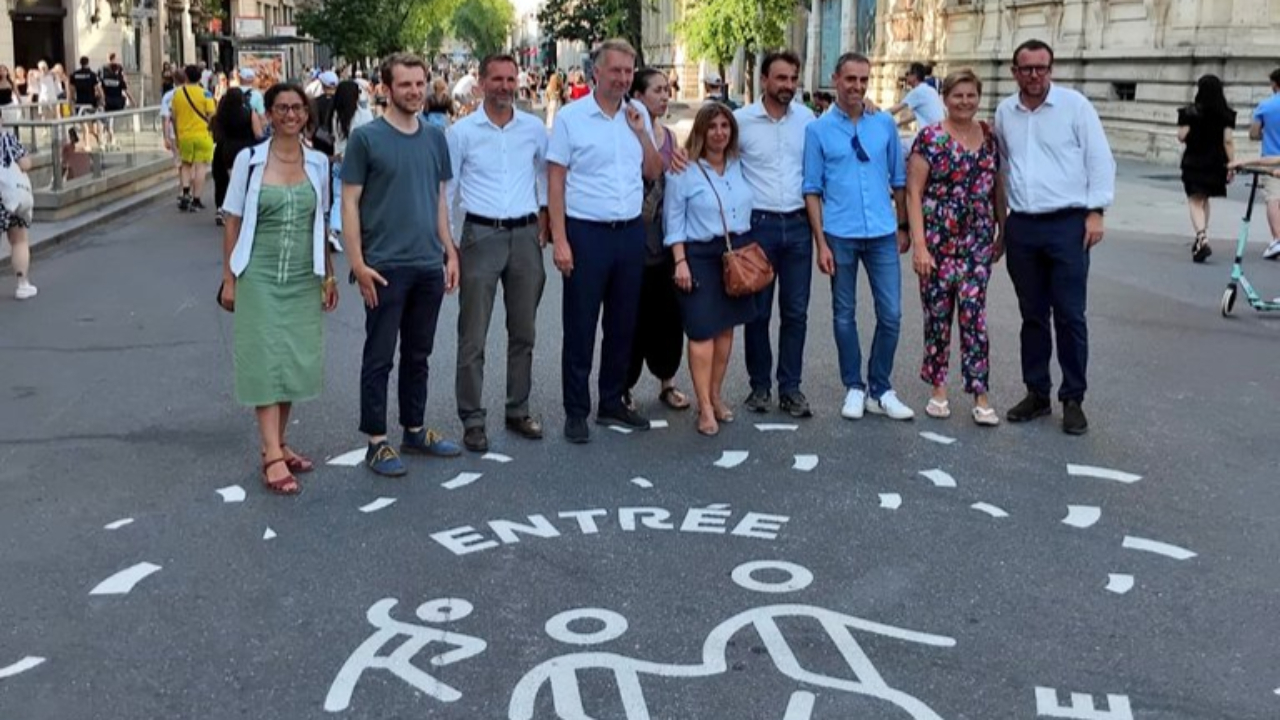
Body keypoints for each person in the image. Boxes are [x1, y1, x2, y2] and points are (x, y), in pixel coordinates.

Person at [341, 53, 462, 477]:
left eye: (419, 83)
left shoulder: (434, 137)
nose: (414, 91)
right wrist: (357, 262)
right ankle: (376, 440)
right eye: (405, 84)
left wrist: (449, 250)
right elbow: (350, 202)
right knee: (379, 356)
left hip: (428, 263)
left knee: (419, 353)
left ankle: (414, 428)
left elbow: (438, 200)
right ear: (386, 89)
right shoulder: (367, 139)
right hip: (384, 266)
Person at [220, 82, 338, 496]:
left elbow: (321, 220)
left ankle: (280, 442)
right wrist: (229, 277)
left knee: (291, 360)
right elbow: (231, 219)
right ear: (268, 113)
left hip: (304, 273)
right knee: (266, 361)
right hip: (259, 273)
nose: (290, 114)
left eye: (297, 108)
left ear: (307, 114)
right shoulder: (249, 160)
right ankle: (270, 454)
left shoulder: (320, 163)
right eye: (282, 108)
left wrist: (328, 273)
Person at [994, 39, 1115, 435]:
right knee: (1032, 315)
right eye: (1027, 69)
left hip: (1068, 224)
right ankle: (1037, 393)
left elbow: (1100, 158)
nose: (1035, 76)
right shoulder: (1005, 113)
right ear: (1015, 72)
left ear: (1051, 69)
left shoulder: (1075, 107)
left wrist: (1096, 211)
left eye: (1042, 68)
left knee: (1069, 314)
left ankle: (1073, 397)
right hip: (1023, 225)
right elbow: (1003, 165)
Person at [547, 38, 664, 443]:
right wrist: (560, 241)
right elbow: (556, 183)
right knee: (580, 327)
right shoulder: (570, 117)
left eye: (629, 72)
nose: (623, 78)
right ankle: (576, 411)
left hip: (629, 232)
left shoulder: (637, 116)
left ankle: (612, 401)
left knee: (622, 324)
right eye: (615, 71)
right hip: (586, 233)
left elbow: (653, 170)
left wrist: (641, 133)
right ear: (597, 72)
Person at [803, 52, 915, 422]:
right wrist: (821, 242)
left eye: (864, 80)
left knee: (892, 314)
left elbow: (899, 180)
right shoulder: (817, 130)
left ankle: (880, 387)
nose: (858, 86)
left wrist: (903, 226)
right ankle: (854, 385)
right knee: (843, 315)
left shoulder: (883, 124)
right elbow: (812, 189)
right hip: (840, 233)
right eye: (850, 79)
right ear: (835, 79)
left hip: (882, 232)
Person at [446, 54, 550, 453]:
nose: (506, 86)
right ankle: (472, 418)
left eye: (512, 79)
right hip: (481, 235)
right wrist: (451, 245)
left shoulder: (534, 129)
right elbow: (448, 190)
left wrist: (544, 217)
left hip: (524, 236)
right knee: (473, 334)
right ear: (481, 82)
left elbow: (544, 173)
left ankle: (517, 408)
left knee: (523, 331)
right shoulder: (462, 133)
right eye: (498, 79)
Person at [907, 69, 1005, 427]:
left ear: (978, 97)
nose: (964, 102)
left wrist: (1002, 230)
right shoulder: (930, 139)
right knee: (937, 316)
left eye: (971, 95)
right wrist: (919, 245)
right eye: (957, 96)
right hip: (937, 240)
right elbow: (915, 192)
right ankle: (938, 388)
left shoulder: (991, 138)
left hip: (977, 240)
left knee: (974, 317)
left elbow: (997, 186)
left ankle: (980, 393)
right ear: (945, 99)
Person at [666, 104, 758, 436]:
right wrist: (680, 262)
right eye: (712, 126)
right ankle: (704, 405)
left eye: (725, 126)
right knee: (702, 332)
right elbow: (673, 222)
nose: (719, 132)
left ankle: (716, 394)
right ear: (700, 131)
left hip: (736, 252)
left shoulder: (739, 165)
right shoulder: (683, 169)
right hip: (699, 254)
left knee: (725, 331)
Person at [735, 51, 817, 418]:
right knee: (758, 312)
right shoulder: (741, 122)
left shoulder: (808, 120)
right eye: (780, 78)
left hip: (799, 226)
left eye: (792, 78)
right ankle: (759, 387)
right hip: (758, 227)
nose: (787, 86)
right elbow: (721, 164)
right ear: (764, 79)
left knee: (796, 312)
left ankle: (791, 388)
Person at [625, 67, 690, 414]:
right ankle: (624, 385)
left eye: (667, 90)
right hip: (632, 235)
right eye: (657, 91)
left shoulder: (670, 136)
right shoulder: (626, 131)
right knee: (630, 316)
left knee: (668, 315)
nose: (665, 97)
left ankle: (668, 381)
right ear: (638, 95)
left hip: (665, 237)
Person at [1178, 74, 1236, 263]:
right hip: (1216, 162)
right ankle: (1200, 236)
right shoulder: (1226, 114)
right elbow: (1228, 141)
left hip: (1194, 160)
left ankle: (1202, 237)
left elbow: (1181, 136)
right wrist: (1232, 163)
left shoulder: (1190, 112)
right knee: (1204, 199)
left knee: (1195, 200)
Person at [211, 88, 263, 227]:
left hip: (227, 149)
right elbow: (258, 133)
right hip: (246, 149)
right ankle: (242, 210)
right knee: (244, 181)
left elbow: (215, 135)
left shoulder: (221, 115)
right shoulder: (249, 113)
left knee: (227, 180)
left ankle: (222, 208)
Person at [328, 79, 373, 237]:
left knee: (339, 196)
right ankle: (359, 227)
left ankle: (335, 228)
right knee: (361, 196)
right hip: (359, 160)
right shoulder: (364, 114)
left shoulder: (336, 115)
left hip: (340, 158)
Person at [171, 65, 217, 212]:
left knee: (185, 164)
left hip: (184, 135)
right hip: (203, 135)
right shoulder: (206, 94)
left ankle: (185, 193)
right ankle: (196, 199)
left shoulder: (177, 94)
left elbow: (173, 116)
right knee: (201, 167)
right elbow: (211, 115)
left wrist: (177, 135)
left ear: (186, 77)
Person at [0, 125, 36, 299]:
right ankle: (22, 284)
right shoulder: (7, 139)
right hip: (10, 197)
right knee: (19, 239)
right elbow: (25, 163)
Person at [1249, 69, 1280, 261]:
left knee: (1273, 199)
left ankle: (1277, 239)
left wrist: (1266, 133)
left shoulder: (1265, 106)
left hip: (1271, 158)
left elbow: (1253, 133)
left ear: (1275, 84)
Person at [889, 62, 945, 131]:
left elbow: (894, 110)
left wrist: (878, 116)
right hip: (941, 133)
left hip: (932, 135)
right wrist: (897, 123)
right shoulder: (930, 90)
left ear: (914, 76)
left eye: (907, 74)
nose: (906, 77)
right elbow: (915, 116)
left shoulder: (918, 91)